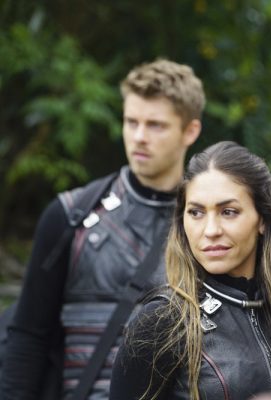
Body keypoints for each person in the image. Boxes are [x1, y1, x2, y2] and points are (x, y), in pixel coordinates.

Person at [0, 58, 205, 399]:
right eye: (131, 122)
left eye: (155, 125)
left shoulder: (209, 228)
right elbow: (28, 337)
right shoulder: (70, 216)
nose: (139, 137)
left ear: (190, 131)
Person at [109, 141, 271, 400]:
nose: (210, 230)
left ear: (262, 218)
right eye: (196, 212)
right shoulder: (162, 322)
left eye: (228, 212)